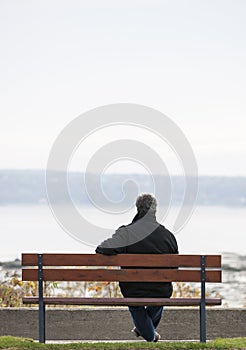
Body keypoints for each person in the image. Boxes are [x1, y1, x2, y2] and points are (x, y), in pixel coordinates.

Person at [95, 193, 179, 342]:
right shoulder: (168, 236)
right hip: (160, 291)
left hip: (133, 290)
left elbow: (102, 249)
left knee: (136, 305)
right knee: (161, 297)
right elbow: (175, 269)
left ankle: (148, 334)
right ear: (155, 210)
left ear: (137, 209)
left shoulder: (126, 233)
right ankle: (148, 332)